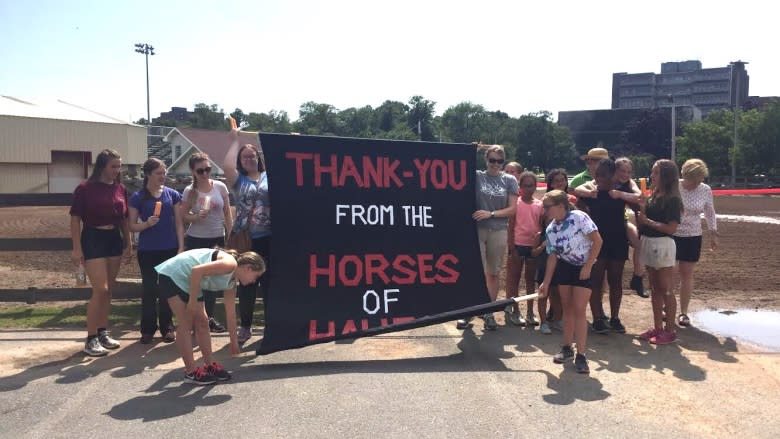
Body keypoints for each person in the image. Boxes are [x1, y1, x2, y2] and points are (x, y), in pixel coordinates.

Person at [155, 248, 265, 384]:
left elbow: (230, 314)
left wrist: (234, 342)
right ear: (248, 268)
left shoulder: (231, 283)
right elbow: (196, 271)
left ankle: (209, 365)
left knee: (203, 322)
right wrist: (192, 302)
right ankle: (190, 372)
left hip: (191, 281)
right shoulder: (230, 264)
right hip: (172, 274)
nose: (254, 281)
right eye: (256, 276)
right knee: (186, 322)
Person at [69, 149, 132, 357]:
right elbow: (75, 218)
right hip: (92, 239)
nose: (117, 170)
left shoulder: (120, 188)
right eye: (114, 166)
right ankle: (90, 338)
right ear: (102, 166)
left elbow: (124, 218)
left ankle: (103, 332)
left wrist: (128, 243)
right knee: (101, 290)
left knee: (110, 289)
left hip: (113, 239)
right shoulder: (85, 189)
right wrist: (77, 248)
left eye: (119, 166)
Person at [538, 190, 602, 374]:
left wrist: (588, 266)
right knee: (567, 308)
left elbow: (597, 241)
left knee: (579, 309)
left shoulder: (579, 217)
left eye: (547, 207)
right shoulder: (551, 229)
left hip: (584, 266)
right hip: (565, 268)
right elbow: (552, 257)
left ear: (560, 206)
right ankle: (567, 347)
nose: (545, 211)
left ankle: (581, 355)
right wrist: (546, 283)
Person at [457, 144, 518, 331]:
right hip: (477, 229)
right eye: (492, 160)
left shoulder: (509, 180)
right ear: (486, 159)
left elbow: (513, 208)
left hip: (498, 229)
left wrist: (491, 214)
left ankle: (489, 311)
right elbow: (460, 165)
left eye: (499, 161)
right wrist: (472, 149)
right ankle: (468, 312)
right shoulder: (477, 176)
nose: (495, 164)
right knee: (475, 271)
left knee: (493, 272)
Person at [128, 158, 185, 344]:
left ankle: (167, 327)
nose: (163, 176)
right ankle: (147, 329)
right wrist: (146, 224)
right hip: (148, 250)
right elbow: (131, 226)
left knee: (167, 290)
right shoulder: (138, 197)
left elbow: (178, 222)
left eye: (164, 172)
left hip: (169, 248)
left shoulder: (173, 195)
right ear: (148, 174)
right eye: (159, 173)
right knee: (149, 289)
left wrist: (181, 246)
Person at [224, 129, 270, 344]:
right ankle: (246, 325)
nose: (250, 159)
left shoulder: (270, 175)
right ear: (241, 161)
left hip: (269, 237)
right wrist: (235, 140)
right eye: (245, 157)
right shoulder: (238, 180)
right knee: (247, 284)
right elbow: (226, 167)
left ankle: (271, 324)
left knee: (270, 282)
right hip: (246, 239)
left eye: (253, 156)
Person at [574, 158, 630, 334]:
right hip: (597, 243)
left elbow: (639, 201)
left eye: (603, 176)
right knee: (595, 280)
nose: (599, 179)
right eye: (597, 175)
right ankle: (597, 318)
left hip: (618, 240)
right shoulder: (592, 193)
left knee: (616, 280)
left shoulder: (620, 193)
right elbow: (576, 198)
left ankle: (614, 317)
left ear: (613, 175)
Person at [180, 152, 234, 333]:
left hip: (216, 237)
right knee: (197, 281)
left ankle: (208, 317)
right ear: (193, 171)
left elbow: (227, 212)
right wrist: (195, 217)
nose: (205, 174)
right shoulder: (190, 191)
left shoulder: (220, 186)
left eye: (208, 169)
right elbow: (183, 215)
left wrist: (230, 233)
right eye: (200, 171)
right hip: (197, 239)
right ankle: (196, 318)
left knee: (213, 281)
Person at [636, 159, 683, 345]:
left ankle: (669, 330)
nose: (652, 176)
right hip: (649, 242)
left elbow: (671, 228)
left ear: (665, 176)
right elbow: (644, 220)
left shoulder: (672, 200)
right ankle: (657, 327)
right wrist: (642, 207)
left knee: (666, 289)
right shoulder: (653, 195)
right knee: (655, 289)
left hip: (662, 244)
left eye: (655, 173)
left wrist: (648, 222)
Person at [674, 159, 718, 327]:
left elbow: (710, 212)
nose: (698, 183)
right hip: (671, 233)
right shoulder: (674, 186)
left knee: (687, 274)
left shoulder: (705, 190)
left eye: (700, 179)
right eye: (695, 179)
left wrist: (713, 233)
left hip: (693, 236)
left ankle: (683, 312)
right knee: (668, 272)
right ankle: (666, 307)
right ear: (685, 176)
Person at [505, 171, 544, 329]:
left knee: (529, 281)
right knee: (514, 280)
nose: (529, 188)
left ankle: (529, 311)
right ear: (520, 187)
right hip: (518, 245)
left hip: (532, 247)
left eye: (532, 185)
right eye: (526, 185)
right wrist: (511, 247)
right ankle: (515, 310)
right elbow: (511, 226)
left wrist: (537, 246)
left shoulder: (539, 205)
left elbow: (541, 225)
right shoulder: (516, 204)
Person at [538, 169, 576, 331]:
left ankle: (560, 317)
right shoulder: (545, 202)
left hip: (567, 251)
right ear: (550, 183)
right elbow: (543, 224)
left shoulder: (573, 203)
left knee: (562, 287)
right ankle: (546, 319)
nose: (560, 183)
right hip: (549, 247)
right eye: (556, 181)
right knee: (549, 286)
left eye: (563, 180)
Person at [614, 157, 648, 298]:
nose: (625, 175)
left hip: (622, 221)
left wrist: (621, 194)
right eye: (622, 171)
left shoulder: (630, 182)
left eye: (629, 172)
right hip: (603, 223)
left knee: (639, 244)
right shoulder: (607, 181)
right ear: (615, 170)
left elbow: (640, 197)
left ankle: (637, 278)